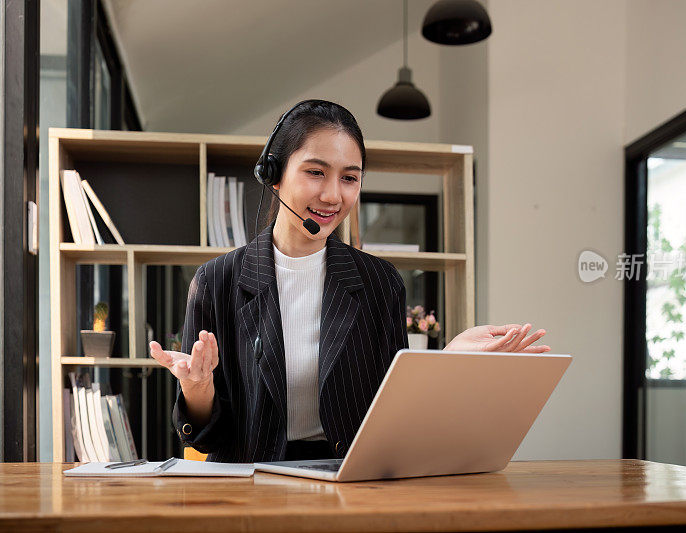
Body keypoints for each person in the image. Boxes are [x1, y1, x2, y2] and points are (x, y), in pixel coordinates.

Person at [149, 99, 550, 463]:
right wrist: (198, 389)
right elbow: (206, 438)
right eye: (315, 172)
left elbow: (393, 416)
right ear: (274, 174)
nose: (332, 195)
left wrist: (444, 362)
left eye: (349, 178)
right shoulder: (217, 280)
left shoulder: (379, 281)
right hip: (251, 484)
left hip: (348, 479)